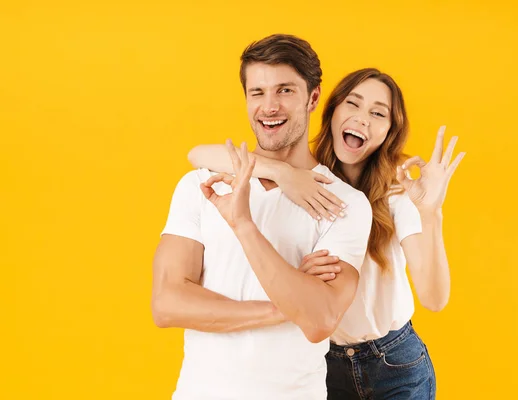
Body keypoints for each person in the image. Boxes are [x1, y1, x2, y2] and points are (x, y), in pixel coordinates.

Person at [188, 68, 465, 399]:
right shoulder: (304, 178)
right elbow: (198, 155)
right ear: (331, 112)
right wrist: (282, 172)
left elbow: (434, 298)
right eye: (353, 104)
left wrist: (431, 212)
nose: (363, 119)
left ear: (389, 131)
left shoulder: (397, 192)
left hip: (393, 363)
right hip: (323, 361)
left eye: (378, 113)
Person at [152, 34, 373, 400]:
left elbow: (319, 320)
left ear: (313, 98)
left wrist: (244, 225)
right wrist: (287, 304)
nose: (269, 106)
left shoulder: (342, 203)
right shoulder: (201, 185)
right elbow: (167, 304)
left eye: (285, 90)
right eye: (258, 92)